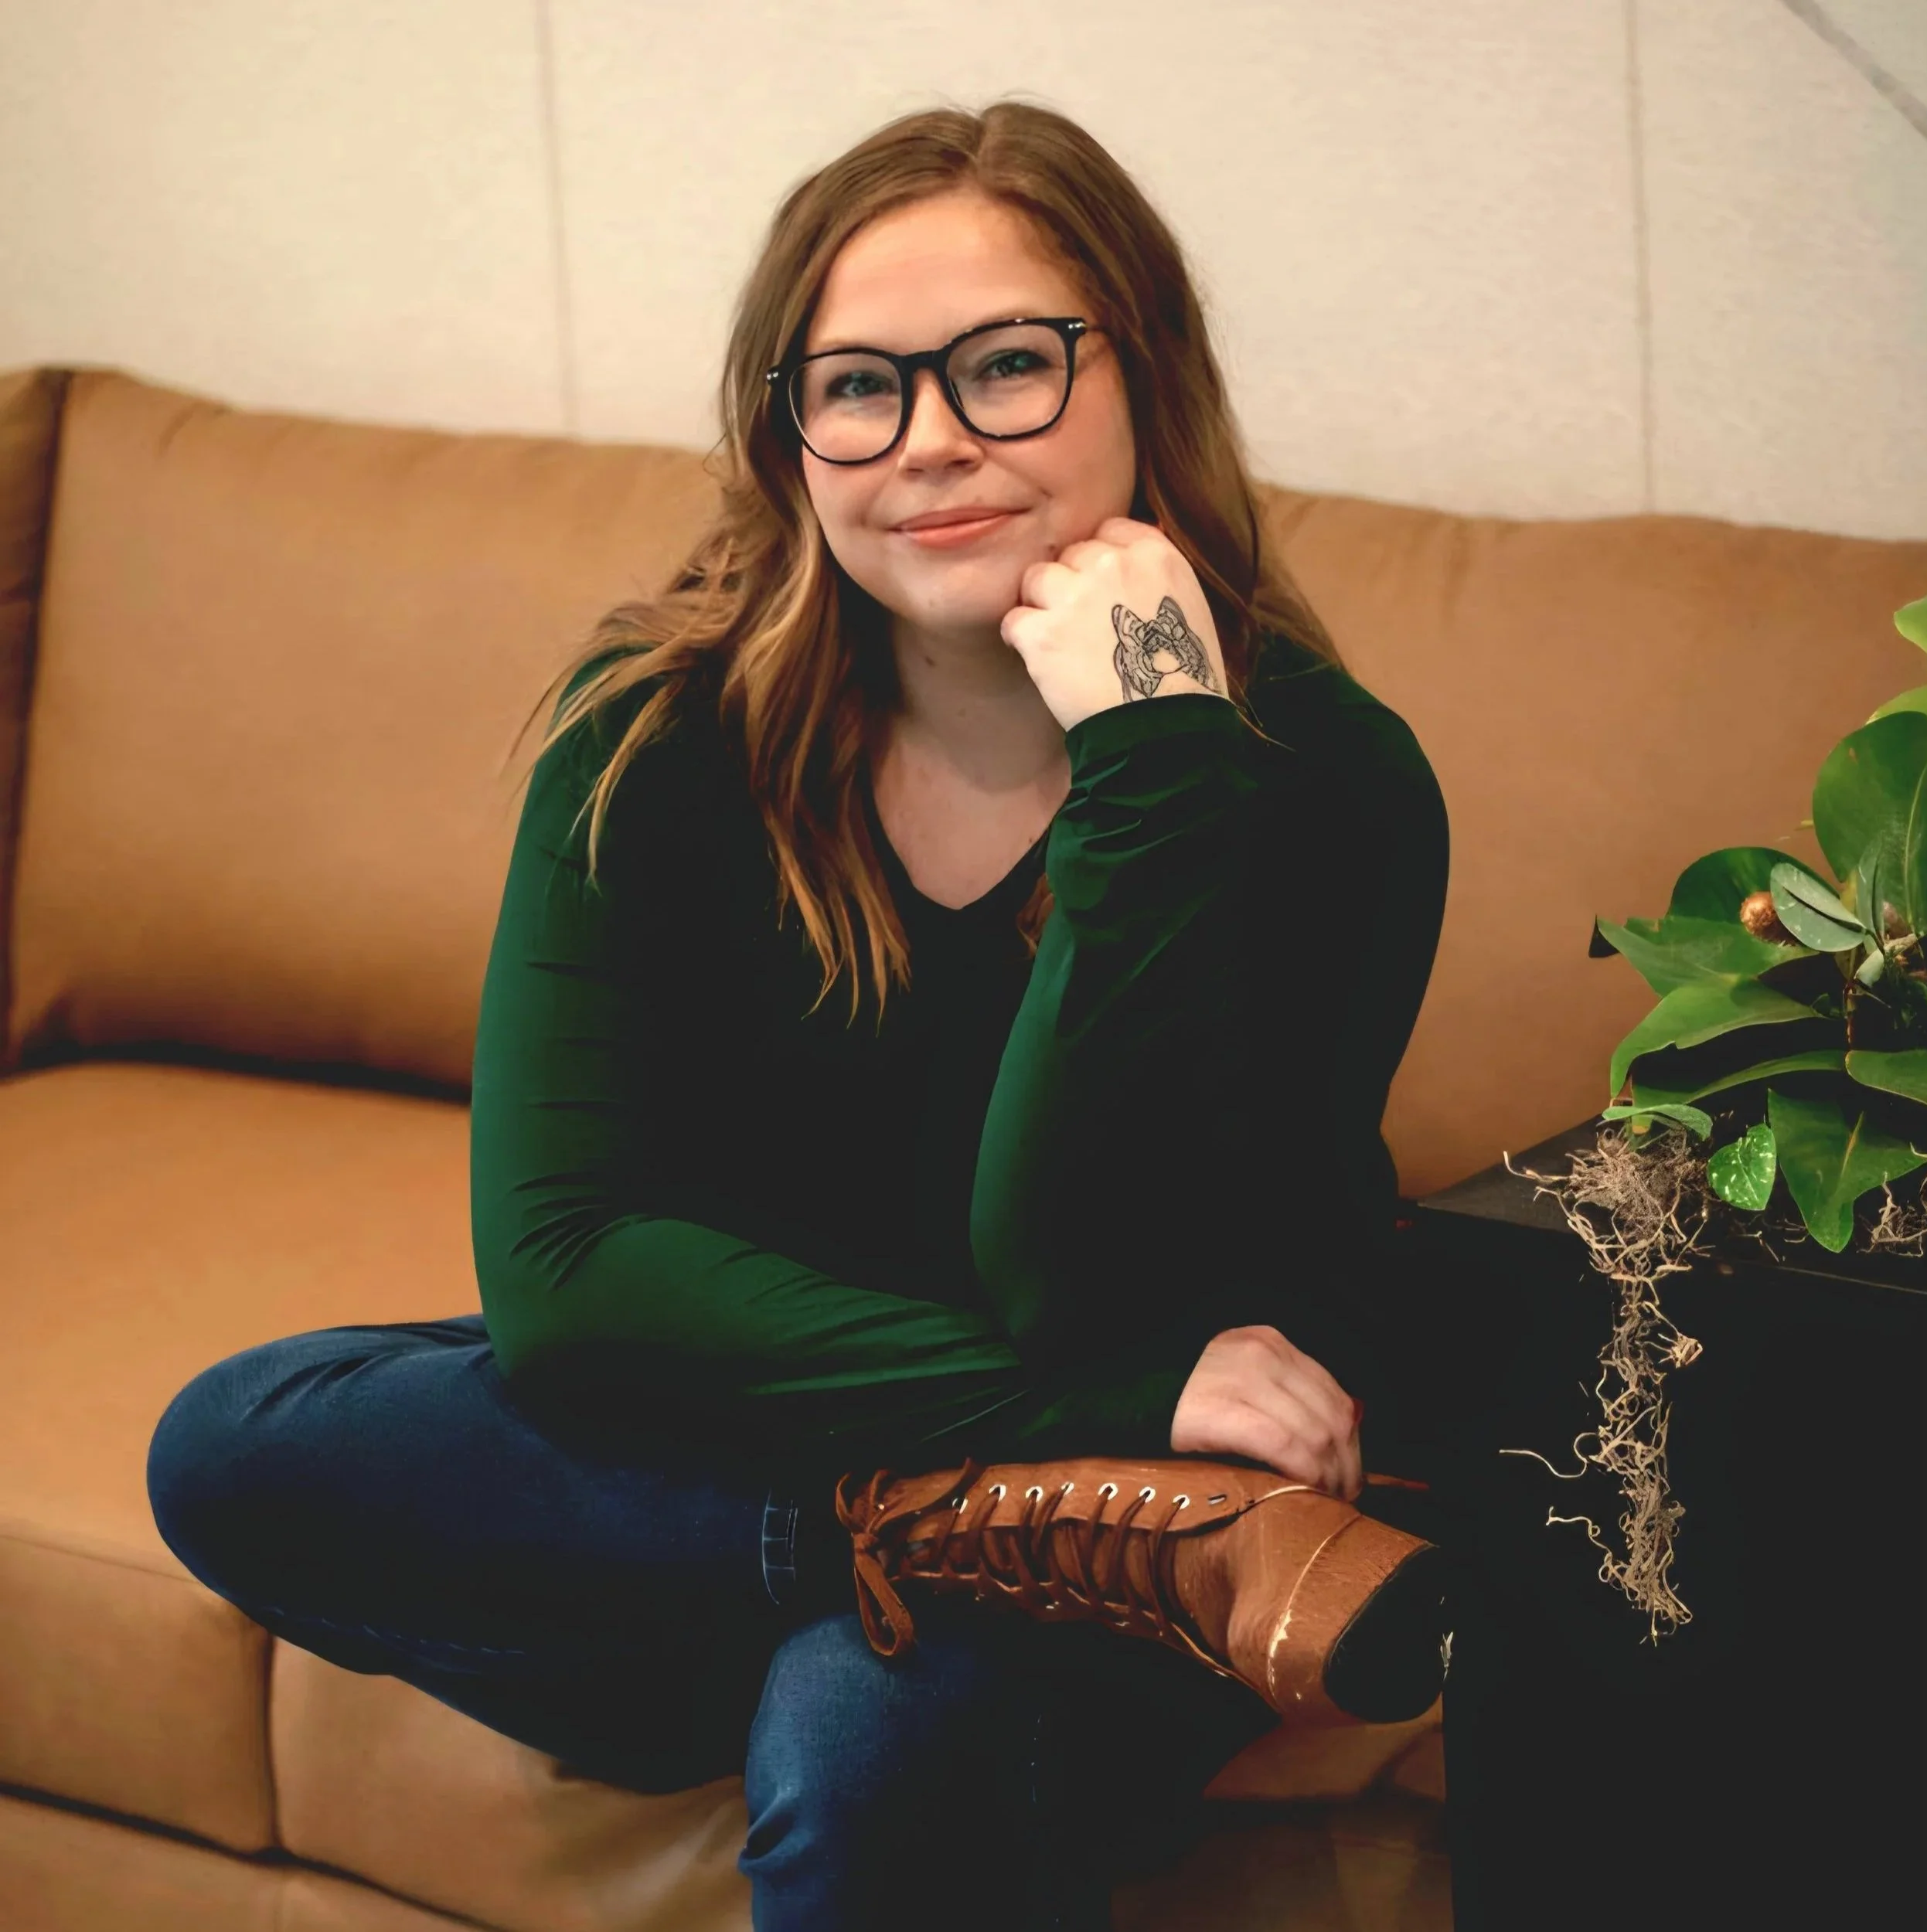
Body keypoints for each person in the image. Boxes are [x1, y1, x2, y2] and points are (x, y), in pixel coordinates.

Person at [145, 100, 1452, 1930]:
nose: (928, 442)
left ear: (1141, 374)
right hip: (948, 1454)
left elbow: (1061, 1275)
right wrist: (1038, 1441)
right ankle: (888, 1547)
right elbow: (569, 1270)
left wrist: (1144, 763)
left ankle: (876, 1583)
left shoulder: (1315, 787)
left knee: (856, 1730)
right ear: (790, 434)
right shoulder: (659, 733)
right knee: (242, 1439)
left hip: (1165, 1488)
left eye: (1006, 365)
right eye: (857, 386)